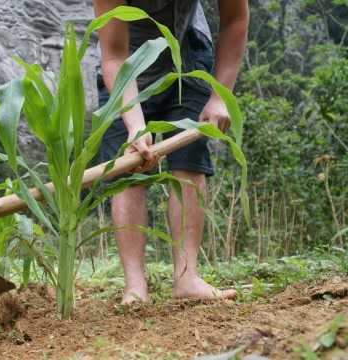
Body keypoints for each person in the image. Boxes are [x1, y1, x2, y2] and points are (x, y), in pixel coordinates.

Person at [93, 0, 249, 304]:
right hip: (126, 64)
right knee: (127, 169)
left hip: (188, 55)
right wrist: (135, 125)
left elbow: (236, 20)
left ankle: (187, 278)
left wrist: (219, 96)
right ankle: (135, 287)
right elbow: (114, 55)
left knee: (189, 161)